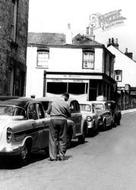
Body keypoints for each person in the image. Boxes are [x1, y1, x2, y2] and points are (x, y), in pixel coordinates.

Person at [47, 93, 71, 161]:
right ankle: (61, 156)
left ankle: (53, 157)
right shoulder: (66, 104)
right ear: (65, 98)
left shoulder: (53, 102)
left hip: (53, 120)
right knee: (62, 138)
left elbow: (48, 112)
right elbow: (69, 114)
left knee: (52, 138)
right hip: (63, 121)